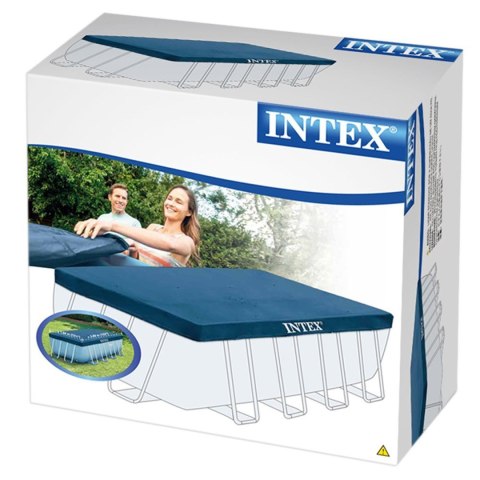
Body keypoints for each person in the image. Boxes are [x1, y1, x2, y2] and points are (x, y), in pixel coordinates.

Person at [75, 185, 200, 266]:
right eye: (170, 198)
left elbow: (170, 244)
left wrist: (112, 226)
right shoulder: (153, 228)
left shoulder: (187, 242)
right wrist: (133, 253)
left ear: (189, 212)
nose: (171, 203)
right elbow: (140, 260)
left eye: (178, 202)